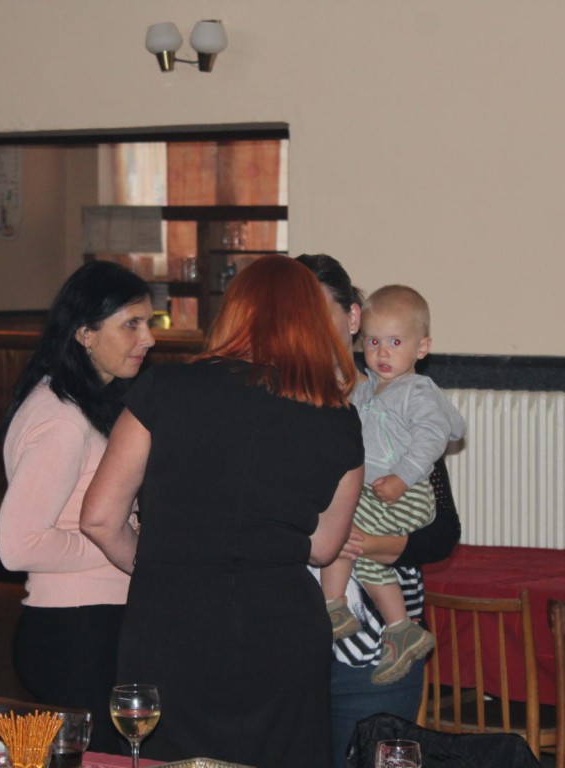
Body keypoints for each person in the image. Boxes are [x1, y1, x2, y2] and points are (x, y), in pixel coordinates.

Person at [81, 255, 365, 768]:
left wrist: (157, 563)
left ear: (234, 312)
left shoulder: (164, 388)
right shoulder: (337, 417)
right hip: (280, 628)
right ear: (311, 320)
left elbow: (100, 517)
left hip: (170, 618)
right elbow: (325, 547)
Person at [295, 254, 462, 768]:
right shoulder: (273, 400)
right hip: (289, 646)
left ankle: (396, 629)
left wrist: (376, 545)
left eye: (318, 312)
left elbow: (443, 531)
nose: (304, 327)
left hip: (372, 656)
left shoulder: (394, 400)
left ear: (351, 317)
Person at [0, 260, 155, 754]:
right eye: (131, 325)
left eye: (149, 324)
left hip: (87, 621)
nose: (148, 339)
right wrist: (120, 544)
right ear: (85, 334)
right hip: (75, 628)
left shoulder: (85, 402)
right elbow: (18, 545)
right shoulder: (61, 418)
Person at [321, 284, 466, 685]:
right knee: (366, 557)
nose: (382, 353)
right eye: (374, 342)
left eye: (395, 342)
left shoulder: (417, 391)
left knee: (340, 527)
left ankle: (332, 606)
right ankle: (400, 628)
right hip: (383, 493)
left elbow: (433, 438)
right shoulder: (369, 388)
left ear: (422, 348)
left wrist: (402, 477)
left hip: (405, 493)